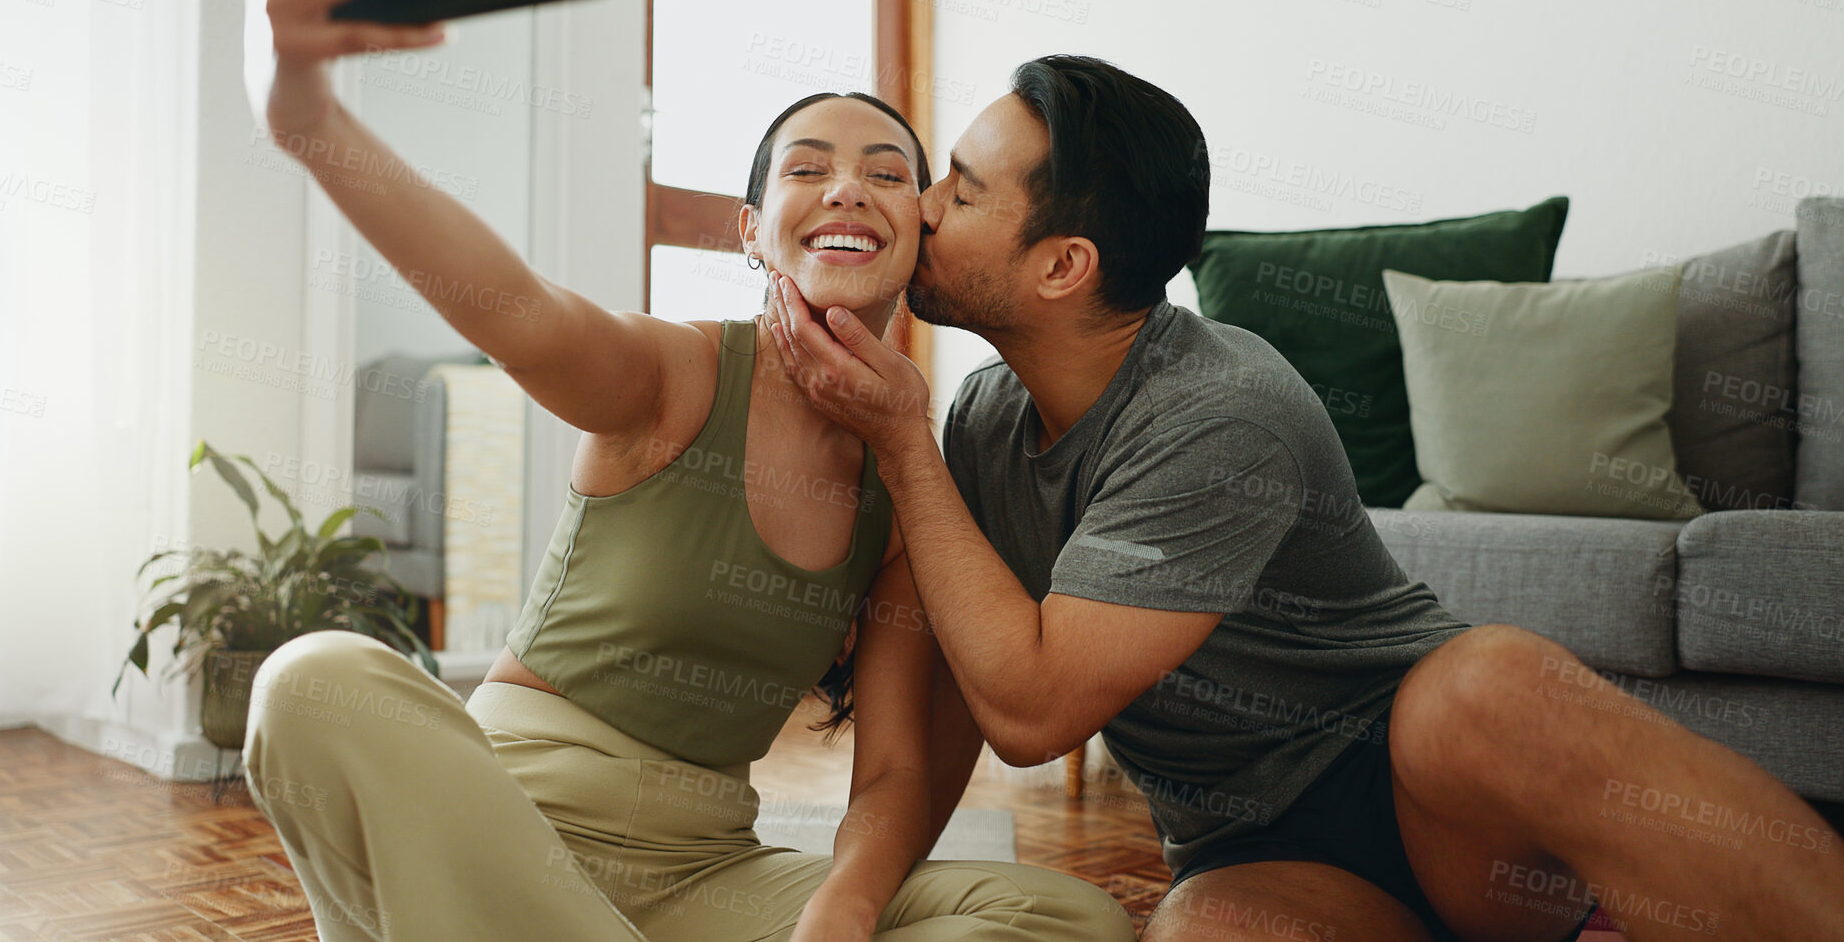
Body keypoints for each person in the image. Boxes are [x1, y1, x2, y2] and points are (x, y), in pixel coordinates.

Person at [766, 53, 1844, 941]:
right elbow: (957, 707)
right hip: (1263, 854)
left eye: (960, 188)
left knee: (1486, 682)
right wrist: (844, 904)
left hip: (1434, 798)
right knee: (1202, 931)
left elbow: (1035, 713)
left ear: (1063, 266)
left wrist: (900, 441)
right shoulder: (983, 423)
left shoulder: (1218, 409)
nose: (926, 206)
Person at [239, 0, 1135, 941]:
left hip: (702, 870)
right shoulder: (670, 373)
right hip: (498, 817)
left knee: (1064, 917)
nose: (848, 186)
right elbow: (509, 304)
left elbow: (892, 770)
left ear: (920, 234)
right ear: (751, 229)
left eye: (888, 174)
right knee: (312, 681)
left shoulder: (907, 481)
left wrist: (838, 912)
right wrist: (303, 111)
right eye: (808, 168)